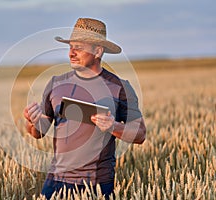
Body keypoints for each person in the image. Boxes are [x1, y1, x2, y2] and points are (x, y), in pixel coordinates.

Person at [23, 18, 146, 199]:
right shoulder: (56, 83)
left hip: (97, 183)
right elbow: (38, 132)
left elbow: (140, 135)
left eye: (79, 47)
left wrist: (113, 126)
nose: (71, 53)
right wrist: (31, 121)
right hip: (56, 180)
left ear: (97, 51)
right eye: (70, 46)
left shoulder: (120, 88)